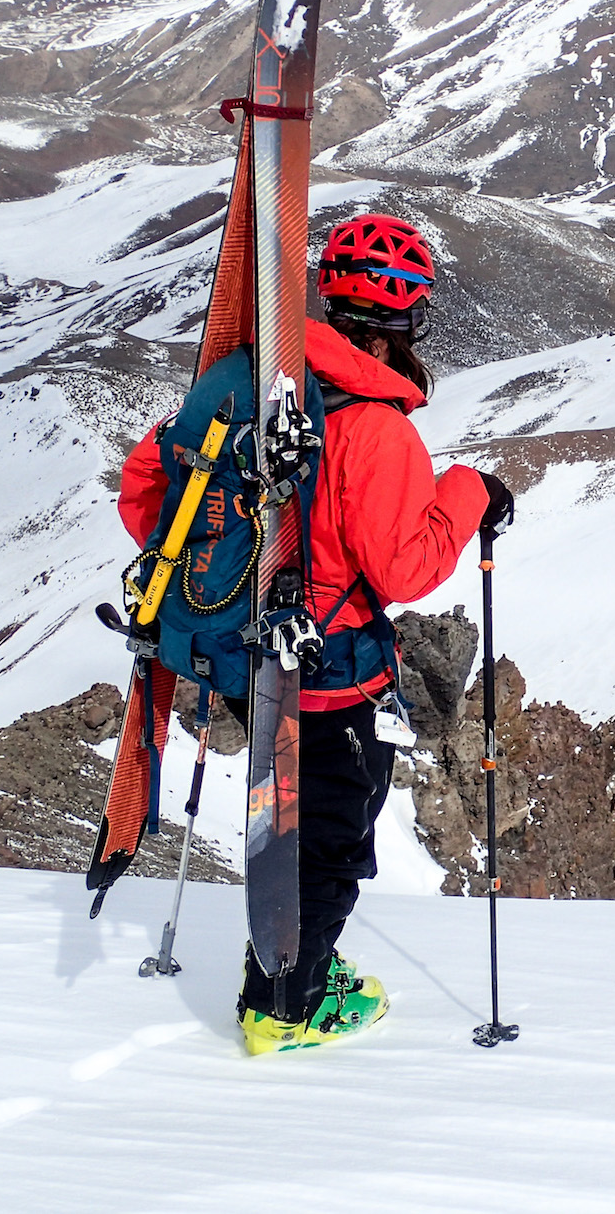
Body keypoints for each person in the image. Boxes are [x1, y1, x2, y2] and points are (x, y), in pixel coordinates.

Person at [117, 211, 513, 1054]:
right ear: (408, 320)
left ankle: (286, 974)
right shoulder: (376, 427)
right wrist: (470, 492)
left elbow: (147, 492)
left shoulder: (248, 386)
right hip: (329, 674)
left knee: (284, 830)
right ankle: (287, 1006)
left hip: (242, 655)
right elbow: (404, 567)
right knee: (329, 841)